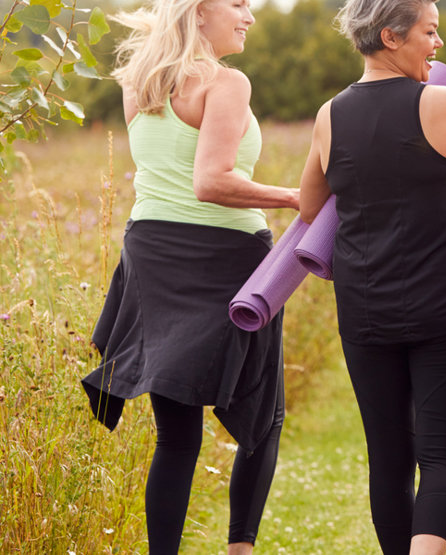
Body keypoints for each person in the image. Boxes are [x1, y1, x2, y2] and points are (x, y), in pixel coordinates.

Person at [81, 0, 298, 553]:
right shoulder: (227, 83)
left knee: (176, 436)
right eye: (238, 3)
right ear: (199, 11)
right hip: (227, 258)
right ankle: (240, 548)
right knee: (263, 415)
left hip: (152, 254)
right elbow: (210, 182)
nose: (250, 15)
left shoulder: (140, 82)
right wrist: (297, 197)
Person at [296, 0, 446, 552]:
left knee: (387, 460)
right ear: (390, 36)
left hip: (364, 312)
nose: (439, 44)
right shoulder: (444, 103)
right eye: (430, 31)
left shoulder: (329, 114)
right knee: (441, 455)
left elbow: (310, 207)